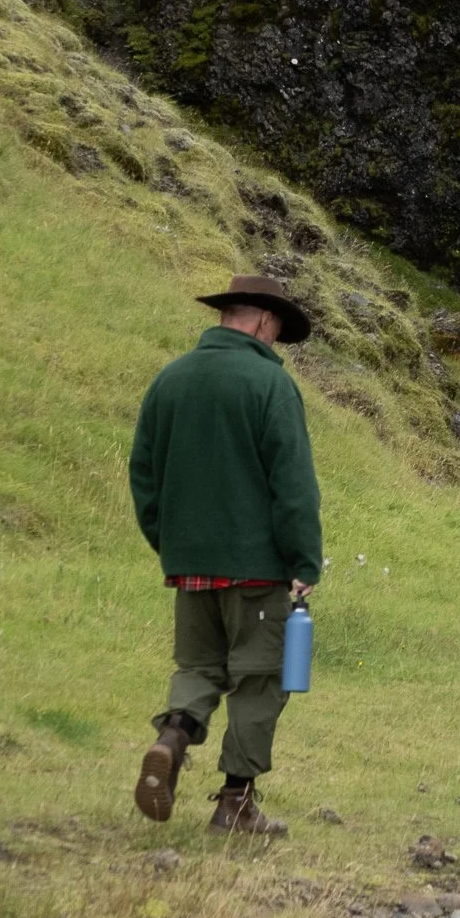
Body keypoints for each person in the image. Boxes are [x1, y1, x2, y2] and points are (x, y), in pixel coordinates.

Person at [128, 274, 323, 837]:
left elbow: (144, 474)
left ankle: (171, 739)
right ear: (262, 321)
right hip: (257, 569)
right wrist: (303, 562)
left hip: (188, 564)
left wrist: (170, 543)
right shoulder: (269, 385)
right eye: (278, 332)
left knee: (198, 667)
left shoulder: (170, 379)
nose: (275, 343)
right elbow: (293, 487)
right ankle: (235, 804)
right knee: (259, 679)